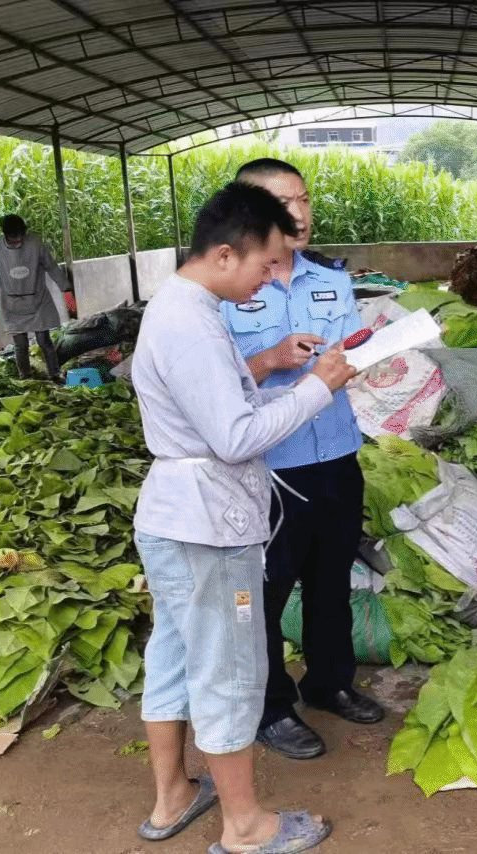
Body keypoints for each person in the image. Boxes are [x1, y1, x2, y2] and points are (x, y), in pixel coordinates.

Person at [130, 182, 357, 854]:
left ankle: (173, 798)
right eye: (263, 265)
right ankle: (247, 827)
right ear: (225, 255)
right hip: (208, 525)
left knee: (173, 653)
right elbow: (233, 437)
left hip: (177, 516)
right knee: (229, 669)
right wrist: (319, 388)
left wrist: (280, 375)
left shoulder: (181, 308)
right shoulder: (192, 321)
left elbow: (218, 407)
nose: (268, 278)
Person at [222, 158, 383, 762]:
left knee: (331, 578)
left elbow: (346, 359)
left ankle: (329, 682)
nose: (299, 213)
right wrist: (269, 358)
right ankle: (270, 708)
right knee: (265, 590)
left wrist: (365, 357)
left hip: (337, 451)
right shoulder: (225, 294)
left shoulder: (331, 282)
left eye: (305, 199)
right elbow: (209, 382)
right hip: (270, 465)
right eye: (283, 201)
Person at [0, 213, 76, 380]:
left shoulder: (35, 243)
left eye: (19, 237)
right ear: (5, 234)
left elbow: (51, 267)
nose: (17, 242)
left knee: (44, 340)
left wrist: (66, 289)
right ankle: (25, 376)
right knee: (20, 344)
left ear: (24, 232)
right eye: (13, 238)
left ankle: (55, 373)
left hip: (38, 299)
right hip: (12, 302)